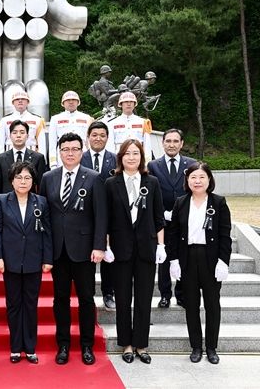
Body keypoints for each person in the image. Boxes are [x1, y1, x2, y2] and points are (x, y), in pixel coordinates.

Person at [39, 133, 107, 366]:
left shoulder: (94, 178)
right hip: (58, 251)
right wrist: (45, 250)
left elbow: (101, 215)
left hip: (85, 250)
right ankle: (63, 344)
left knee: (86, 299)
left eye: (75, 149)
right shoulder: (48, 178)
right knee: (60, 299)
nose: (70, 153)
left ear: (82, 151)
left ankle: (87, 345)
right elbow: (43, 216)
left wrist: (99, 246)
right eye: (65, 149)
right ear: (59, 152)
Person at [105, 139, 165, 365]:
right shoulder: (111, 183)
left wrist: (161, 246)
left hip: (146, 248)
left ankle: (141, 344)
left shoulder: (152, 182)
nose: (131, 157)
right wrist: (106, 246)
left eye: (136, 153)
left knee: (143, 298)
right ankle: (126, 344)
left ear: (142, 157)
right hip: (120, 249)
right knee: (122, 298)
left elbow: (158, 217)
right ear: (121, 158)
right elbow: (106, 218)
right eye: (127, 153)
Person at [167, 162, 232, 365]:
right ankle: (196, 346)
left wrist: (223, 262)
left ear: (209, 180)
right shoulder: (181, 202)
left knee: (212, 304)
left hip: (210, 259)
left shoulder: (218, 202)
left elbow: (225, 235)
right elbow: (173, 234)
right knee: (191, 304)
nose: (197, 181)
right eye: (193, 177)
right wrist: (174, 260)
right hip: (187, 258)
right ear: (187, 180)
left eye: (202, 177)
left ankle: (211, 347)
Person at [0, 162, 53, 364]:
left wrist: (47, 259)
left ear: (33, 181)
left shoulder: (41, 202)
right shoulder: (2, 200)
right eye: (18, 177)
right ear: (12, 181)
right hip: (10, 261)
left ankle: (30, 347)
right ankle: (16, 348)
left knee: (31, 305)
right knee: (13, 305)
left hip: (34, 261)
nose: (23, 181)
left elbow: (47, 232)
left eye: (27, 178)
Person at [147, 128, 196, 309]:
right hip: (163, 220)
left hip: (186, 220)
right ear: (163, 143)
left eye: (176, 141)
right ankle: (165, 295)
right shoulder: (153, 165)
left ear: (181, 144)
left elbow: (195, 190)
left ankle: (181, 294)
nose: (171, 145)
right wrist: (162, 213)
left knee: (184, 257)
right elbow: (151, 193)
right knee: (164, 258)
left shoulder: (191, 164)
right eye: (168, 141)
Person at [80, 121, 117, 309]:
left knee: (108, 255)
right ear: (88, 137)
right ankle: (87, 294)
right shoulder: (80, 158)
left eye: (102, 135)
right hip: (85, 214)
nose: (98, 138)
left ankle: (108, 292)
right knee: (86, 255)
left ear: (107, 138)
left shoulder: (115, 159)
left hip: (110, 213)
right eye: (94, 135)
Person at [0, 120, 46, 195]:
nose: (18, 135)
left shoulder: (38, 158)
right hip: (6, 200)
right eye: (14, 132)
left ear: (27, 136)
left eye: (22, 132)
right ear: (10, 136)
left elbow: (41, 187)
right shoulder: (0, 159)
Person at [0, 91, 47, 162]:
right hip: (10, 157)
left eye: (23, 99)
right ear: (13, 102)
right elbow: (0, 143)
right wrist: (0, 161)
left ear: (28, 102)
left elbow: (41, 143)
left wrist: (42, 161)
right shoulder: (5, 120)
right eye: (17, 99)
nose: (20, 101)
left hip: (31, 157)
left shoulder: (37, 120)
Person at [47, 91, 93, 168]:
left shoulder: (87, 118)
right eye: (68, 100)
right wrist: (53, 164)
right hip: (62, 156)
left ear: (78, 102)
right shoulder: (55, 119)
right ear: (63, 103)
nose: (71, 102)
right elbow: (52, 144)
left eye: (73, 100)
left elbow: (89, 141)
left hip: (82, 155)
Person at [106, 91, 153, 159]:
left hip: (137, 158)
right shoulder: (112, 123)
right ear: (121, 104)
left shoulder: (143, 122)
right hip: (119, 158)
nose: (129, 104)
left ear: (134, 104)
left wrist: (147, 161)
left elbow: (147, 144)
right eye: (126, 102)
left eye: (131, 102)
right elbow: (110, 145)